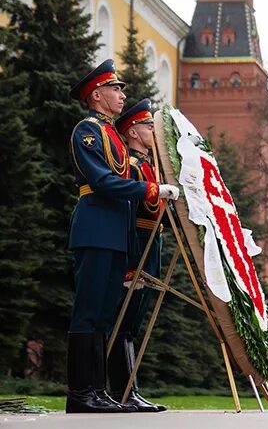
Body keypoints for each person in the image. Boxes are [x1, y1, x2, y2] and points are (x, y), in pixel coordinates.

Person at [65, 60, 179, 413]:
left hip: (116, 233)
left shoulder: (111, 133)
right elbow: (101, 180)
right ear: (96, 94)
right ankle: (82, 393)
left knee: (102, 316)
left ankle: (99, 393)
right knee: (89, 312)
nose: (122, 94)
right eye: (115, 89)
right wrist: (149, 188)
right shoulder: (87, 131)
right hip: (97, 227)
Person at [108, 99, 168, 412]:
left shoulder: (148, 166)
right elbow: (129, 216)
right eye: (147, 126)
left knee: (134, 323)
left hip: (151, 244)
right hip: (137, 246)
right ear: (132, 131)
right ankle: (123, 392)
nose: (151, 131)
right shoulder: (131, 167)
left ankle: (131, 390)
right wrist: (131, 262)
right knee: (125, 321)